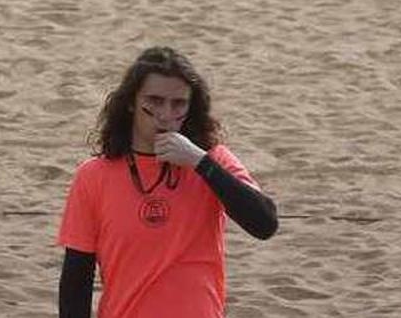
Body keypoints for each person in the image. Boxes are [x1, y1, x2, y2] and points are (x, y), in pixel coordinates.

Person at [57, 46, 278, 318]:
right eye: (155, 101)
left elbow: (265, 223)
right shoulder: (93, 176)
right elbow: (76, 280)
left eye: (178, 104)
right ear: (131, 103)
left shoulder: (212, 160)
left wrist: (200, 163)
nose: (166, 114)